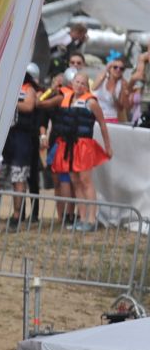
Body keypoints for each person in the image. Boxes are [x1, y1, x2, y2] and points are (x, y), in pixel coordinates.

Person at [44, 68, 111, 231]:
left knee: (86, 181)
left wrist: (107, 146)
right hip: (68, 145)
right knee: (75, 181)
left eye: (82, 83)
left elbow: (102, 124)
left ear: (86, 87)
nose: (79, 85)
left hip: (84, 145)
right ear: (72, 83)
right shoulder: (67, 99)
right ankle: (82, 218)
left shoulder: (91, 102)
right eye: (77, 82)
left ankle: (91, 219)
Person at [0, 64, 40, 233]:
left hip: (21, 139)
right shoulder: (6, 86)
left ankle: (17, 215)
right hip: (5, 138)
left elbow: (29, 105)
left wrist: (11, 103)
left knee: (18, 178)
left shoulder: (28, 88)